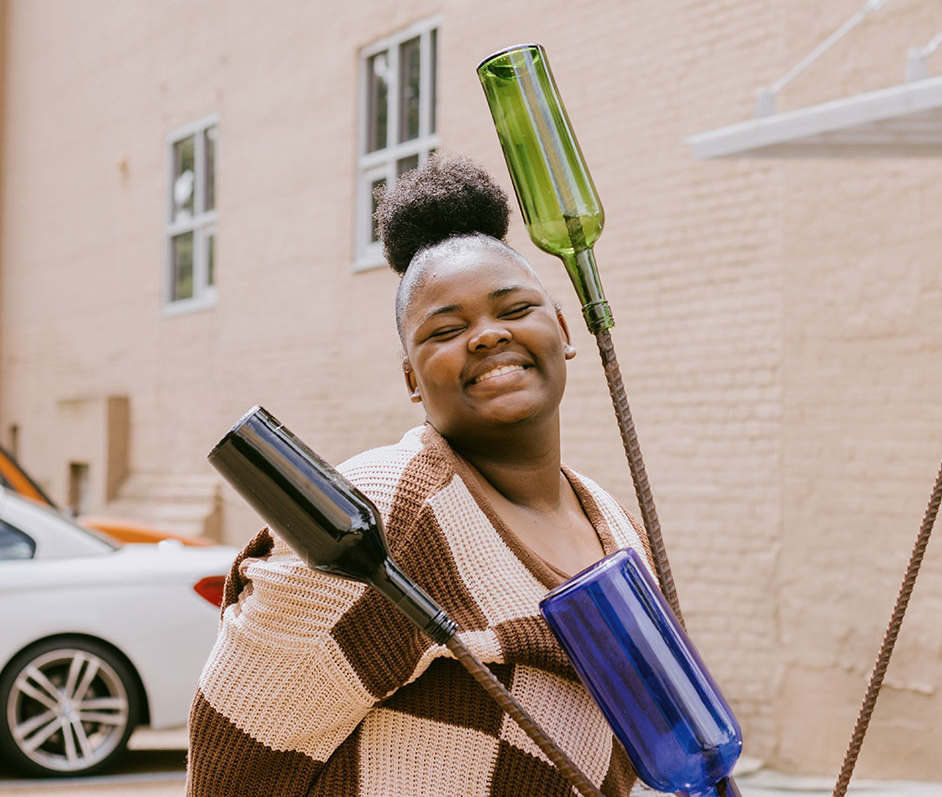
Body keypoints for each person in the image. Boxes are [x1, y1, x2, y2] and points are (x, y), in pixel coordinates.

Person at [186, 155, 655, 797]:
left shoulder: (615, 521)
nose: (488, 336)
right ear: (411, 377)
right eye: (447, 329)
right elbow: (236, 764)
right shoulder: (383, 512)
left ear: (565, 331)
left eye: (514, 309)